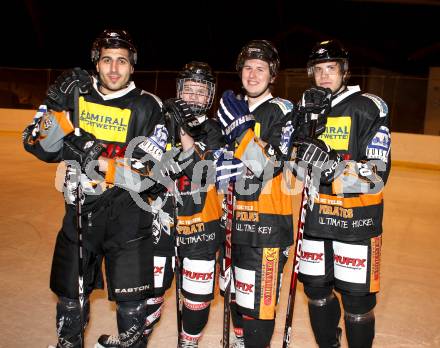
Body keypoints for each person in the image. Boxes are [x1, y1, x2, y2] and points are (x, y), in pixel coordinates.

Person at [23, 29, 175, 348]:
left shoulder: (149, 107)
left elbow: (148, 175)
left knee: (133, 307)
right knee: (70, 299)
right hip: (79, 214)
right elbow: (36, 143)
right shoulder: (76, 97)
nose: (114, 68)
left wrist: (97, 157)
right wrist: (53, 107)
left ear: (133, 66)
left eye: (122, 61)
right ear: (96, 63)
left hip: (129, 219)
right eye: (107, 60)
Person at [96, 61, 225, 348]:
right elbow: (144, 166)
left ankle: (188, 343)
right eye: (188, 89)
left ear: (210, 95)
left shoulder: (215, 130)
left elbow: (205, 173)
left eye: (200, 91)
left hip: (201, 223)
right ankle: (134, 336)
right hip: (160, 219)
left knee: (196, 298)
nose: (193, 97)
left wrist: (184, 133)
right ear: (178, 91)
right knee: (149, 290)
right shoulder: (162, 123)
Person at [293, 40, 391, 347]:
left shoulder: (369, 106)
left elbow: (376, 175)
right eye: (318, 70)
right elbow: (293, 169)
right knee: (316, 291)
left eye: (331, 69)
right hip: (316, 219)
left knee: (357, 303)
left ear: (344, 71)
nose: (323, 76)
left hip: (356, 222)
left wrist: (334, 166)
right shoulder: (306, 106)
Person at [216, 40, 296, 348]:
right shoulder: (231, 107)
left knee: (258, 303)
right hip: (232, 220)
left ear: (273, 75)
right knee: (237, 294)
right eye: (247, 68)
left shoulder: (282, 110)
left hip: (268, 226)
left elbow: (269, 165)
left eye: (260, 69)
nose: (252, 75)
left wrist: (241, 131)